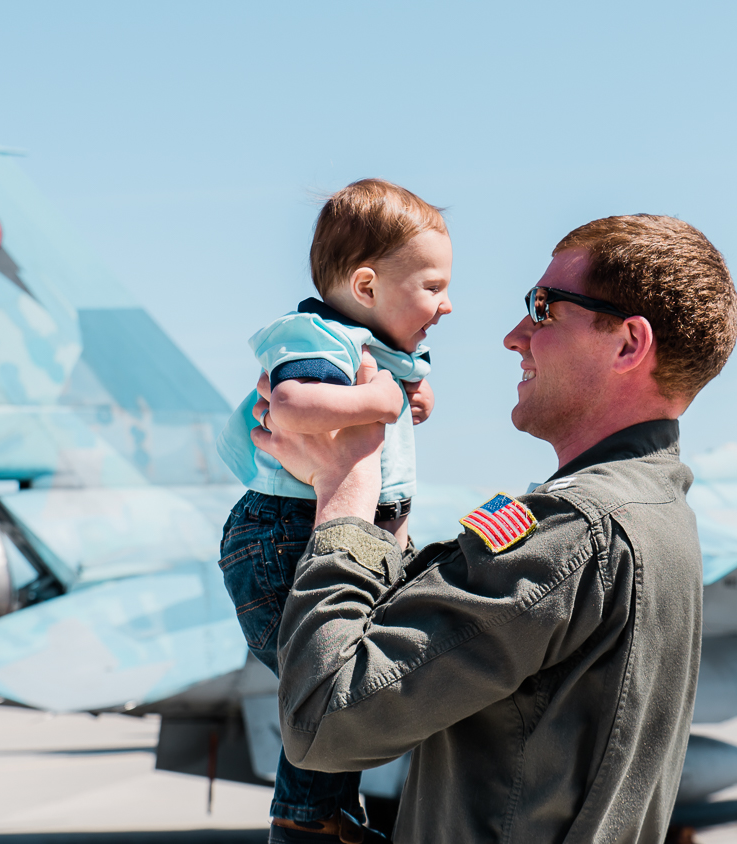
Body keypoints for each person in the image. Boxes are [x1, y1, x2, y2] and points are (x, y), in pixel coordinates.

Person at [252, 215, 737, 843]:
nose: (515, 337)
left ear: (627, 344)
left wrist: (345, 491)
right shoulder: (656, 513)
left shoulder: (574, 533)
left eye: (544, 309)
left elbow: (321, 720)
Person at [214, 178, 453, 842]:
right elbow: (292, 405)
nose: (448, 303)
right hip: (289, 537)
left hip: (351, 538)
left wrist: (409, 388)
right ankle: (305, 817)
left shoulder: (369, 347)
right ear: (369, 287)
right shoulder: (316, 337)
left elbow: (398, 390)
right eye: (431, 286)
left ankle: (323, 811)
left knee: (338, 685)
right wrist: (380, 403)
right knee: (329, 682)